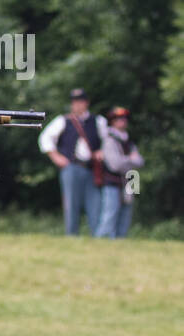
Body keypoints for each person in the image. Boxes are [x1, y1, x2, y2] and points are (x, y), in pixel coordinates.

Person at [38, 87, 105, 236]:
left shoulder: (98, 121)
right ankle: (72, 235)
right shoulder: (64, 120)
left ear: (86, 103)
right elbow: (45, 138)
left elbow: (107, 140)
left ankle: (97, 236)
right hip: (71, 167)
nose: (76, 105)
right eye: (74, 102)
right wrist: (56, 157)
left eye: (80, 101)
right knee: (71, 204)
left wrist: (102, 151)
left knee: (95, 204)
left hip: (91, 168)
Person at [96, 107, 144, 239]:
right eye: (118, 120)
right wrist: (130, 159)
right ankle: (104, 238)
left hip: (132, 179)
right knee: (110, 212)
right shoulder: (109, 140)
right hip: (113, 181)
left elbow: (140, 162)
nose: (122, 122)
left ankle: (121, 239)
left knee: (126, 214)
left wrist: (129, 161)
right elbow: (115, 164)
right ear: (112, 122)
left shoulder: (129, 140)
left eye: (124, 119)